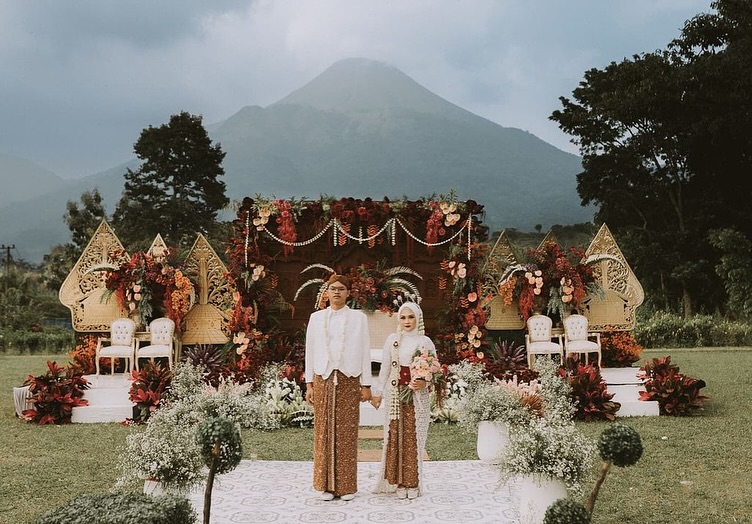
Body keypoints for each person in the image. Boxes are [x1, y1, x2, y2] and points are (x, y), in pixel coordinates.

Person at [304, 274, 372, 501]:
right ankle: (324, 486)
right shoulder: (316, 318)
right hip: (323, 377)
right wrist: (309, 383)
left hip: (349, 378)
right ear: (326, 292)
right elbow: (310, 351)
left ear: (348, 293)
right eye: (332, 289)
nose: (336, 292)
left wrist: (366, 384)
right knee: (323, 431)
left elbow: (364, 350)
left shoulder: (359, 318)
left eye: (341, 289)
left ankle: (346, 487)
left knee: (347, 431)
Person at [370, 302, 436, 499]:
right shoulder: (393, 340)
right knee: (395, 436)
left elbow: (435, 370)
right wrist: (379, 392)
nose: (407, 321)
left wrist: (424, 382)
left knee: (413, 438)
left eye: (411, 317)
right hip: (395, 394)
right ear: (398, 319)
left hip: (416, 396)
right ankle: (398, 482)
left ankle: (412, 482)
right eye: (403, 317)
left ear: (418, 318)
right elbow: (385, 369)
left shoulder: (425, 341)